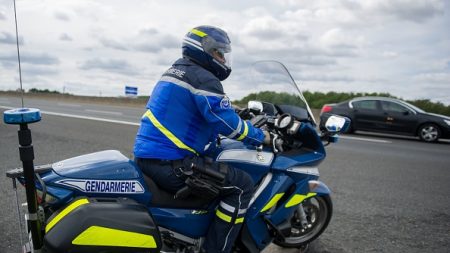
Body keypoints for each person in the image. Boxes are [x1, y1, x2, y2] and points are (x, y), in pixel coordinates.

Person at [133, 25, 269, 253]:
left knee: (214, 165)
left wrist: (234, 110)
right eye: (219, 52)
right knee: (241, 186)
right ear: (203, 49)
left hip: (151, 156)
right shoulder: (204, 79)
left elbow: (205, 109)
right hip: (171, 163)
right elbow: (226, 124)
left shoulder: (178, 70)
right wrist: (261, 136)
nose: (223, 58)